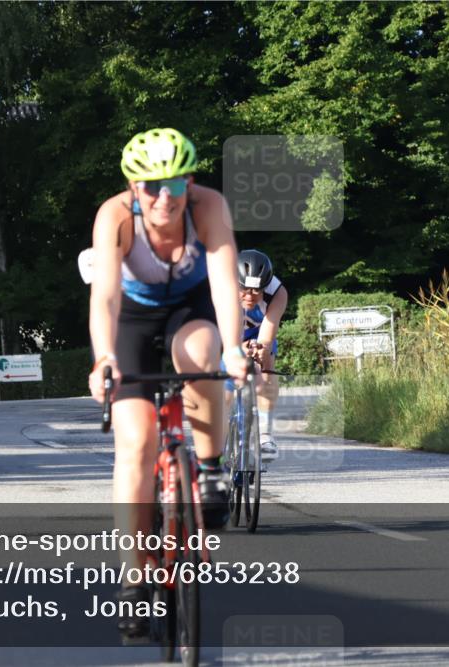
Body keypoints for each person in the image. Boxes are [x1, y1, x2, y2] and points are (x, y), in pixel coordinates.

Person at [86, 128, 248, 638]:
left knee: (203, 354)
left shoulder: (209, 207)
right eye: (150, 186)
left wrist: (237, 348)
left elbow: (225, 284)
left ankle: (210, 466)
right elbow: (106, 298)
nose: (162, 196)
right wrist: (105, 359)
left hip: (189, 310)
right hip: (132, 322)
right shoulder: (115, 217)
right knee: (135, 442)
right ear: (133, 188)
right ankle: (135, 580)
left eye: (173, 184)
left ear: (189, 181)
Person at [237, 249, 288, 461]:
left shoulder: (278, 293)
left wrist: (260, 349)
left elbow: (267, 333)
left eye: (256, 291)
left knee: (266, 366)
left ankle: (265, 433)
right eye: (245, 290)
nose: (250, 296)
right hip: (229, 328)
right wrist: (237, 348)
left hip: (258, 330)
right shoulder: (221, 285)